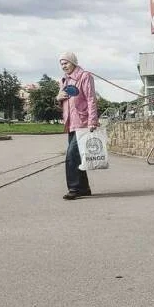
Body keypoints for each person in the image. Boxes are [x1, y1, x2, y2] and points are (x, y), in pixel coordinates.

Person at [55, 52, 98, 200]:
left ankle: (74, 188)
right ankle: (84, 188)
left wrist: (92, 121)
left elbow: (91, 99)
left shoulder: (84, 76)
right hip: (71, 123)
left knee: (71, 156)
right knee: (77, 157)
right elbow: (63, 102)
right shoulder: (64, 80)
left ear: (73, 62)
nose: (63, 66)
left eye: (66, 63)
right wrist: (58, 98)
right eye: (61, 64)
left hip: (83, 122)